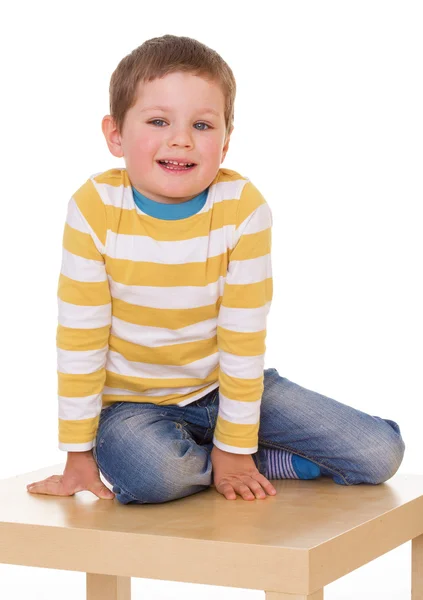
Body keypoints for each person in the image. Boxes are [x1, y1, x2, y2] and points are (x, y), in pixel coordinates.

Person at [26, 34, 405, 504]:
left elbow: (243, 338)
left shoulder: (244, 209)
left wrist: (236, 443)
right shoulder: (94, 207)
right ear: (115, 135)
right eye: (159, 120)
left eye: (203, 125)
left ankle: (230, 455)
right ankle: (246, 460)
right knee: (156, 475)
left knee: (378, 453)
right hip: (132, 408)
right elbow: (79, 336)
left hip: (223, 386)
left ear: (225, 143)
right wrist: (78, 452)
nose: (181, 139)